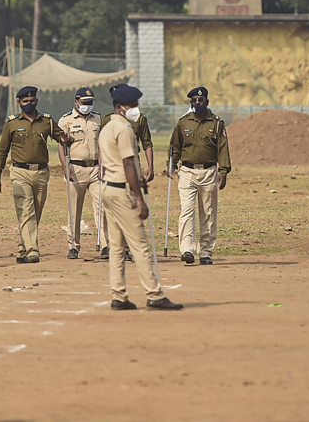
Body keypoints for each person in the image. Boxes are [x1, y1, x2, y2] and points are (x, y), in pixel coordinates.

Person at [99, 84, 182, 311]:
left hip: (108, 188)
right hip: (122, 191)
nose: (135, 109)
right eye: (131, 105)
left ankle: (119, 295)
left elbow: (115, 162)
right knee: (139, 245)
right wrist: (139, 197)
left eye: (136, 105)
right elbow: (127, 162)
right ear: (119, 107)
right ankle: (154, 294)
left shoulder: (106, 127)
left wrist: (137, 180)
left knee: (116, 246)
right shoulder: (124, 129)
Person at [0, 86, 60, 264]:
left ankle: (22, 250)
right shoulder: (12, 123)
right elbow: (2, 152)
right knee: (27, 210)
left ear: (36, 101)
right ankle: (32, 251)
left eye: (31, 101)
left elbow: (62, 138)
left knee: (35, 213)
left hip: (41, 172)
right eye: (25, 102)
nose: (28, 104)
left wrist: (69, 138)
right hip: (19, 172)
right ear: (19, 103)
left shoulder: (47, 121)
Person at [167, 86, 231, 266]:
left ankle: (205, 252)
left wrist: (223, 171)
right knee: (186, 210)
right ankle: (187, 249)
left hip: (209, 172)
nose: (197, 104)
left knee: (208, 213)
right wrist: (171, 164)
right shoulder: (183, 122)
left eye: (200, 101)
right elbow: (175, 146)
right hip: (187, 172)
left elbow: (223, 148)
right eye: (194, 101)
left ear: (207, 102)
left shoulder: (217, 123)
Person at [101, 84, 154, 260]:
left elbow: (146, 143)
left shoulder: (139, 119)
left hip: (132, 161)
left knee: (125, 208)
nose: (134, 109)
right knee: (126, 211)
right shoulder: (110, 122)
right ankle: (118, 245)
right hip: (119, 168)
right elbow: (105, 148)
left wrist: (150, 166)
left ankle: (122, 248)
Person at [57, 87, 102, 260]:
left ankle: (105, 244)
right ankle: (73, 246)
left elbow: (103, 143)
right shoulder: (66, 120)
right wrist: (64, 166)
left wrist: (103, 165)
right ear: (76, 102)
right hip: (75, 169)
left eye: (90, 102)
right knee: (74, 209)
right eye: (85, 102)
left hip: (96, 168)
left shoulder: (98, 118)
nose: (88, 106)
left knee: (101, 208)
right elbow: (61, 145)